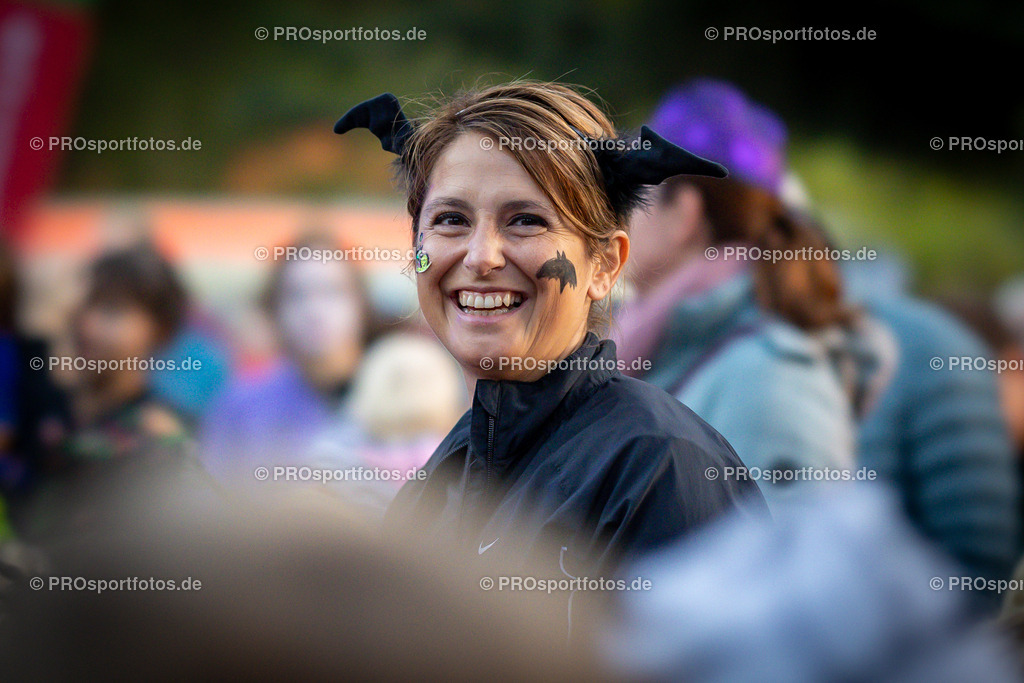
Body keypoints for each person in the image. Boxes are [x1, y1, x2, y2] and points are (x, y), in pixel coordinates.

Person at [335, 83, 766, 590]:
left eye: (525, 221)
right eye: (451, 220)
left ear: (605, 264)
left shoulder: (661, 467)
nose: (480, 257)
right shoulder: (448, 469)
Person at [615, 79, 859, 509]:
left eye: (633, 190)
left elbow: (791, 562)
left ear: (685, 213)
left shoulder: (774, 379)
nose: (614, 212)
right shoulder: (665, 333)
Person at [17, 243, 196, 543]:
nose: (89, 325)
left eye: (113, 311)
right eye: (85, 305)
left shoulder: (156, 439)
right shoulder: (42, 407)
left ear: (160, 331)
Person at [200, 233, 374, 483]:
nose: (315, 311)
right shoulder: (239, 407)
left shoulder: (401, 399)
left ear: (361, 303)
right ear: (275, 308)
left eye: (333, 292)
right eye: (297, 295)